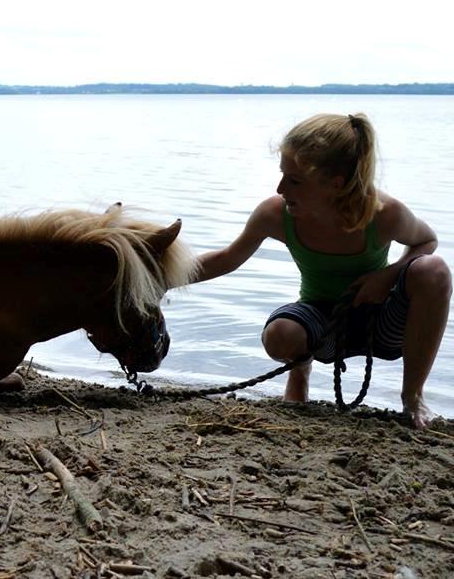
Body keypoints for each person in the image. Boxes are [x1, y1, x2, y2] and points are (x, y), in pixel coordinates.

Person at [191, 113, 451, 428]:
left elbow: (428, 241)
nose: (280, 187)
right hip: (322, 323)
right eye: (282, 174)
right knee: (280, 335)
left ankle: (413, 395)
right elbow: (227, 258)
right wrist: (163, 279)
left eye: (295, 180)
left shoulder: (384, 213)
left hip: (380, 322)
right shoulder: (276, 214)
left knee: (433, 270)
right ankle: (299, 376)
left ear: (335, 184)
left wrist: (390, 275)